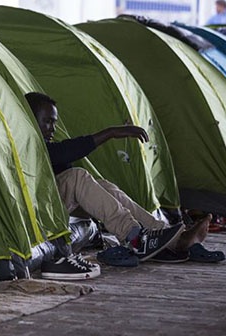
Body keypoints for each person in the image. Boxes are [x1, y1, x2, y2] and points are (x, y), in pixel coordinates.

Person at [24, 92, 220, 280]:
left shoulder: (43, 144)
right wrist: (111, 133)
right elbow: (60, 153)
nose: (52, 128)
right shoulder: (24, 142)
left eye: (54, 122)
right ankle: (134, 237)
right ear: (31, 120)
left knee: (105, 186)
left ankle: (171, 238)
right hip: (36, 208)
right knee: (77, 176)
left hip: (51, 203)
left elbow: (60, 155)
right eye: (47, 121)